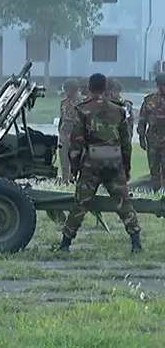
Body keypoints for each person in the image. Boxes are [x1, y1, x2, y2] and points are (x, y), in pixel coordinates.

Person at [59, 73, 142, 253]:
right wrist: (126, 168)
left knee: (81, 204)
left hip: (91, 165)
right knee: (124, 203)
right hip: (114, 163)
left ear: (89, 87)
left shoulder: (82, 110)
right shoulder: (119, 110)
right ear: (105, 88)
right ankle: (136, 242)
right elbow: (126, 143)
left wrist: (74, 169)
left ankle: (65, 244)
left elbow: (76, 143)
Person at [137, 74, 165, 189]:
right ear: (158, 86)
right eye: (162, 85)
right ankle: (156, 192)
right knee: (154, 170)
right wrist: (141, 137)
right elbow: (142, 120)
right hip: (153, 140)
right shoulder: (149, 100)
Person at [58, 79, 81, 183]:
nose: (66, 93)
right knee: (64, 158)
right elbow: (61, 118)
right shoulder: (63, 103)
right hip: (64, 133)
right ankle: (65, 179)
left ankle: (74, 178)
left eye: (67, 90)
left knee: (76, 158)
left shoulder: (81, 103)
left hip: (76, 134)